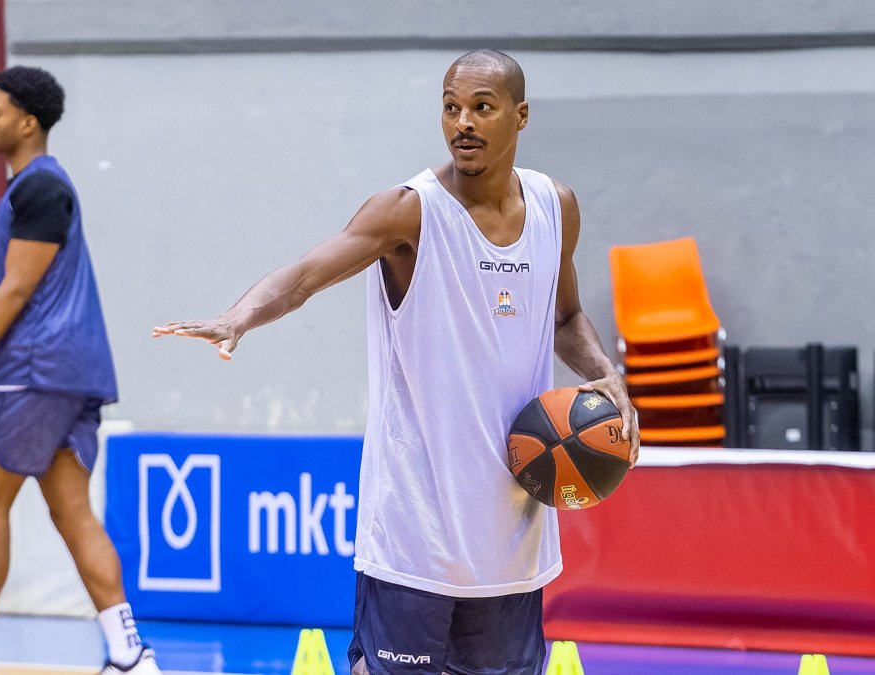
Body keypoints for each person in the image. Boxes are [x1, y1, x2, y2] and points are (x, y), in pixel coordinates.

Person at [154, 50, 639, 675]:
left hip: (512, 536)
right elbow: (304, 275)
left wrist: (603, 373)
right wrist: (239, 316)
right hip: (416, 532)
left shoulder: (555, 207)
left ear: (520, 117)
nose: (463, 122)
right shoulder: (408, 211)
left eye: (482, 108)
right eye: (451, 107)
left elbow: (566, 318)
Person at [0, 65, 159, 675]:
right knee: (72, 512)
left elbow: (12, 297)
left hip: (34, 370)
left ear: (27, 121)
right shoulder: (28, 191)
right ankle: (128, 655)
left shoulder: (41, 189)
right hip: (67, 374)